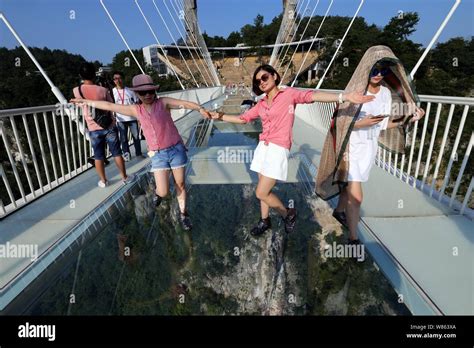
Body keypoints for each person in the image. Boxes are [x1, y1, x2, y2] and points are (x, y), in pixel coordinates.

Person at [209, 64, 374, 237]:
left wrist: (344, 96)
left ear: (274, 76)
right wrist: (219, 116)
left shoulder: (289, 94)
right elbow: (243, 119)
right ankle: (265, 220)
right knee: (262, 188)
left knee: (261, 192)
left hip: (277, 149)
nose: (261, 82)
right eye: (258, 81)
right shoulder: (262, 103)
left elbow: (313, 95)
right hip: (262, 148)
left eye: (264, 77)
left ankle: (288, 213)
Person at [71, 74, 211, 231]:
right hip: (158, 155)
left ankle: (184, 214)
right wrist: (85, 102)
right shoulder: (135, 110)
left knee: (180, 184)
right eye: (143, 93)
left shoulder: (163, 103)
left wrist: (200, 109)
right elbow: (109, 106)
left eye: (150, 91)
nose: (148, 95)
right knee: (164, 191)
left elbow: (184, 103)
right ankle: (158, 194)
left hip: (176, 149)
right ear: (137, 94)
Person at [315, 45, 425, 244]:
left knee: (349, 188)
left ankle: (339, 211)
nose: (378, 74)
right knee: (356, 196)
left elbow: (383, 124)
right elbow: (340, 124)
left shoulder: (384, 93)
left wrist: (408, 120)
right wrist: (360, 123)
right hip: (349, 150)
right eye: (374, 69)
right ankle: (354, 238)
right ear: (366, 69)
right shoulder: (355, 92)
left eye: (383, 70)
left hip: (368, 149)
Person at [73, 62, 134, 188]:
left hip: (93, 128)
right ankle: (124, 177)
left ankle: (104, 181)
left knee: (98, 155)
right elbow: (111, 105)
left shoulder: (77, 90)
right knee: (117, 153)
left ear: (80, 75)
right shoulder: (103, 90)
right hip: (109, 125)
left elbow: (79, 104)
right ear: (94, 74)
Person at [111, 71, 145, 161]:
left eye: (119, 78)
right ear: (113, 81)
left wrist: (139, 116)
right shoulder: (112, 92)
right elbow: (110, 104)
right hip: (120, 119)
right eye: (115, 79)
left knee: (136, 137)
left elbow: (137, 102)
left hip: (132, 117)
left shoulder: (130, 90)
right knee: (123, 139)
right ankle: (127, 155)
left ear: (123, 79)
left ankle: (138, 154)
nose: (118, 80)